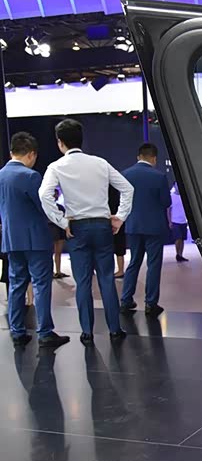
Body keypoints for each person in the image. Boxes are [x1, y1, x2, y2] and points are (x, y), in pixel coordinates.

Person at [39, 118, 134, 345]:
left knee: (82, 282)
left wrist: (61, 221)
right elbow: (127, 188)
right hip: (102, 225)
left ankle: (87, 332)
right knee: (106, 279)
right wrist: (120, 217)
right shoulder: (100, 163)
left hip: (77, 228)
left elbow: (44, 195)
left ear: (60, 142)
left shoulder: (56, 166)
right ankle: (115, 329)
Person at [0, 132, 70, 348]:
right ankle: (45, 332)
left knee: (16, 284)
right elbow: (43, 206)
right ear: (31, 154)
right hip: (35, 240)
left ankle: (17, 331)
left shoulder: (1, 174)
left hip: (11, 239)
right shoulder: (30, 176)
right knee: (41, 284)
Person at [119, 143, 171, 318]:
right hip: (154, 227)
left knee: (134, 262)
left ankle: (126, 300)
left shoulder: (125, 174)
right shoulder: (159, 176)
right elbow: (166, 202)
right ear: (154, 158)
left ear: (138, 157)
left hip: (133, 225)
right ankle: (150, 303)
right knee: (153, 264)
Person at [49, 188, 69, 279]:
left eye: (57, 194)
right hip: (51, 230)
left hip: (59, 230)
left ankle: (58, 271)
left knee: (58, 252)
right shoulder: (47, 207)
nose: (56, 196)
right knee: (51, 253)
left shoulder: (60, 207)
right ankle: (52, 271)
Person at [108, 183, 127, 279]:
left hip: (105, 218)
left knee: (106, 247)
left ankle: (108, 270)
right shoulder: (117, 188)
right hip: (118, 218)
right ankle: (120, 270)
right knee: (119, 245)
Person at [169, 184, 189, 262]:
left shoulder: (184, 197)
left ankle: (181, 255)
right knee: (178, 238)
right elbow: (169, 210)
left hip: (183, 220)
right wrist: (170, 221)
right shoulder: (172, 197)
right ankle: (177, 254)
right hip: (175, 221)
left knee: (182, 239)